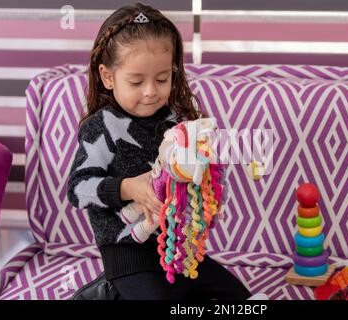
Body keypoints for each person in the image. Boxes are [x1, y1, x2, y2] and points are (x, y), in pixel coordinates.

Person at [67, 2, 252, 300]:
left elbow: (202, 176)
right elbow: (78, 189)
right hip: (129, 257)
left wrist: (209, 186)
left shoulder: (177, 122)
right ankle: (106, 291)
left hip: (180, 253)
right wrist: (129, 188)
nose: (151, 91)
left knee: (242, 298)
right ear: (108, 76)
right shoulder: (101, 127)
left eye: (162, 79)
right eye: (137, 81)